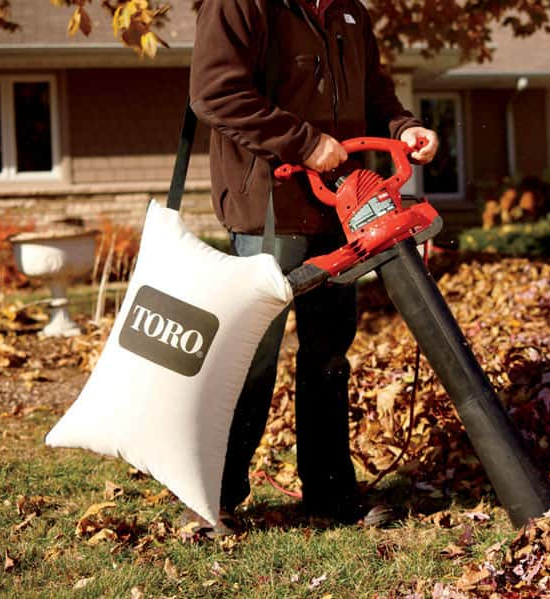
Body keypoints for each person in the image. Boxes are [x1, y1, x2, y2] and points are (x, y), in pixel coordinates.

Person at [186, 0, 439, 534]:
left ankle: (329, 493)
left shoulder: (349, 11)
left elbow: (373, 91)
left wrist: (405, 126)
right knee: (251, 359)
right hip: (268, 212)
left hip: (340, 206)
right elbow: (215, 94)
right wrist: (302, 143)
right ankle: (214, 497)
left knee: (328, 355)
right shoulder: (240, 4)